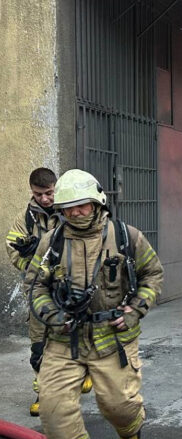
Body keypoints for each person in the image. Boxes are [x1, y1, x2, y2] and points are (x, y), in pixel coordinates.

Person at [25, 169, 163, 439]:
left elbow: (153, 275)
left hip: (113, 340)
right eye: (67, 207)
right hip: (64, 341)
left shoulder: (126, 237)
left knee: (119, 406)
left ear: (97, 202)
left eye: (81, 205)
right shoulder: (52, 242)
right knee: (53, 410)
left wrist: (135, 309)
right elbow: (35, 285)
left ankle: (131, 425)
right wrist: (52, 313)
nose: (75, 212)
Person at [5, 168, 92, 417]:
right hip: (38, 292)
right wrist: (30, 255)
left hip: (70, 289)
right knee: (39, 345)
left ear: (57, 188)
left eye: (49, 193)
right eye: (39, 194)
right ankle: (43, 394)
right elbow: (12, 250)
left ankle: (84, 370)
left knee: (75, 335)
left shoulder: (70, 212)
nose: (44, 198)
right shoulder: (25, 219)